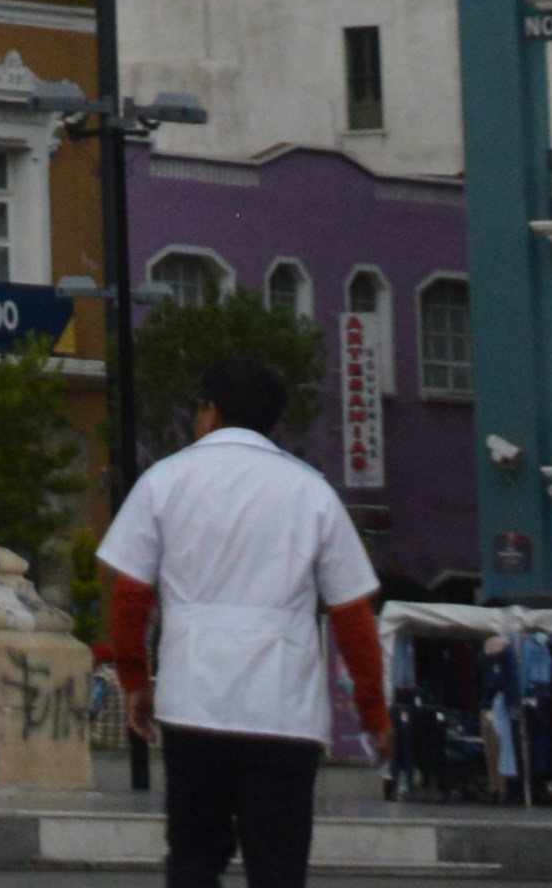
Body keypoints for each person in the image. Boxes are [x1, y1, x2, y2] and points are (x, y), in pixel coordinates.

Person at [98, 356, 388, 888]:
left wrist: (135, 682)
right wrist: (373, 711)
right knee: (277, 868)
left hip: (194, 704)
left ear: (211, 412)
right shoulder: (312, 493)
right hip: (284, 713)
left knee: (193, 860)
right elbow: (352, 617)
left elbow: (130, 598)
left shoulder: (165, 481)